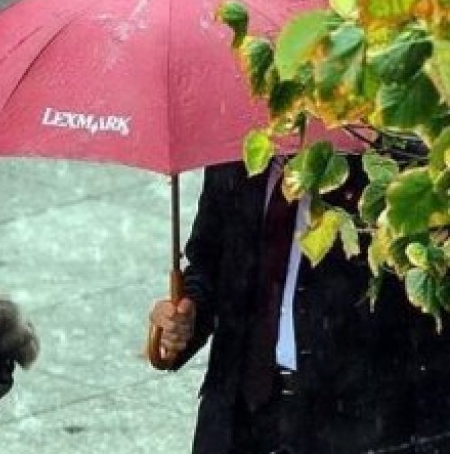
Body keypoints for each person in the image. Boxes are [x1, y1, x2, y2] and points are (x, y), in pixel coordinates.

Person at [148, 155, 450, 454]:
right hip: (237, 415)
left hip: (349, 419)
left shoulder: (380, 164)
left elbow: (427, 316)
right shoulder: (232, 157)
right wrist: (185, 317)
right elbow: (207, 261)